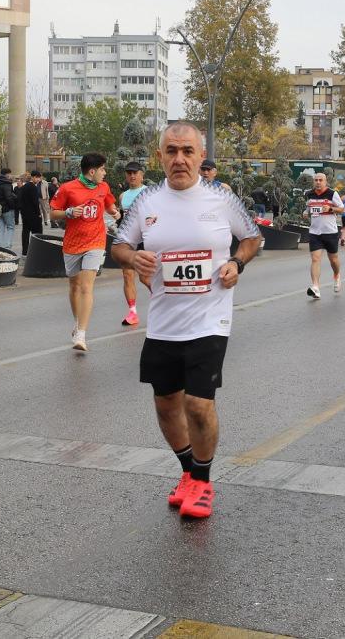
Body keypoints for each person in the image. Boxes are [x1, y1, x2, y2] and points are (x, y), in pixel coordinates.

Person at [110, 121, 261, 520]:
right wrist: (133, 257)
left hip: (210, 320)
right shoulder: (146, 202)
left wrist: (236, 262)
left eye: (187, 151)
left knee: (197, 404)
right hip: (163, 321)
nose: (179, 159)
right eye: (171, 151)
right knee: (166, 405)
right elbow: (119, 245)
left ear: (200, 154)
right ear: (160, 156)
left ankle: (204, 481)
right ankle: (188, 473)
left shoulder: (219, 198)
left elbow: (252, 238)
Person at [51, 153, 119, 352]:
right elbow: (53, 212)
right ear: (92, 171)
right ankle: (77, 322)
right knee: (74, 286)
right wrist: (69, 213)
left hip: (96, 241)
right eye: (102, 170)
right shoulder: (67, 188)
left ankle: (81, 334)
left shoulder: (103, 187)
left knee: (86, 286)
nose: (104, 173)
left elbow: (109, 204)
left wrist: (115, 212)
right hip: (72, 243)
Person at [304, 171, 345, 299]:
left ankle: (337, 275)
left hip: (330, 232)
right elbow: (309, 208)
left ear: (325, 181)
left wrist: (331, 209)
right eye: (316, 180)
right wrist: (305, 213)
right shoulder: (309, 194)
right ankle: (315, 287)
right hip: (315, 232)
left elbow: (342, 209)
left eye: (320, 180)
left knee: (333, 259)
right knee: (315, 259)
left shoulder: (332, 194)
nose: (318, 182)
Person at [118, 161, 149, 327]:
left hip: (146, 239)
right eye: (129, 173)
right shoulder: (123, 196)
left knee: (145, 278)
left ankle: (164, 305)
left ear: (141, 175)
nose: (132, 176)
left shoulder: (148, 193)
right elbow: (123, 219)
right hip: (129, 241)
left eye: (135, 173)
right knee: (127, 275)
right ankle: (132, 312)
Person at [18, 170, 45, 255]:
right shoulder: (33, 187)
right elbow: (35, 202)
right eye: (37, 177)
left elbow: (20, 200)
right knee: (37, 232)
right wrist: (39, 213)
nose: (38, 180)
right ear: (33, 177)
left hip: (25, 214)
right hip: (33, 214)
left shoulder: (24, 186)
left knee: (25, 232)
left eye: (39, 178)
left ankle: (25, 251)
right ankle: (37, 250)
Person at [0, 167, 17, 249]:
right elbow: (9, 197)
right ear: (7, 174)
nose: (10, 175)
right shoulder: (7, 183)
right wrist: (13, 206)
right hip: (7, 209)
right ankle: (7, 246)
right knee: (10, 227)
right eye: (10, 174)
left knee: (0, 227)